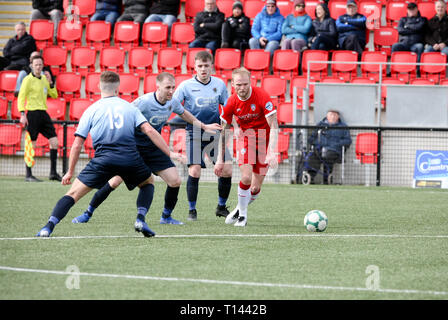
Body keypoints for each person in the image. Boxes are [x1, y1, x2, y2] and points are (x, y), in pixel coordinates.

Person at [36, 71, 183, 238]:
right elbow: (149, 130)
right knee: (148, 181)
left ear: (99, 86)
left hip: (103, 160)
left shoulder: (91, 110)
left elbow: (77, 144)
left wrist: (70, 171)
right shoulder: (129, 107)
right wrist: (170, 152)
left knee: (73, 194)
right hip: (130, 158)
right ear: (118, 87)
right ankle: (140, 219)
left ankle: (48, 227)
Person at [72, 72, 221, 226]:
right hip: (133, 148)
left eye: (173, 87)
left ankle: (166, 217)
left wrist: (203, 126)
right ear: (158, 87)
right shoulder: (143, 102)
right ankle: (87, 213)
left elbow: (185, 115)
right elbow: (124, 115)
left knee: (175, 181)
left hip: (153, 147)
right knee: (115, 181)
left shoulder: (173, 102)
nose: (171, 91)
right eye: (167, 87)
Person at [214, 67, 279, 227]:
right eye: (238, 85)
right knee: (246, 178)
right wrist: (220, 160)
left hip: (264, 142)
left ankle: (238, 208)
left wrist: (271, 152)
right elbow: (224, 132)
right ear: (233, 85)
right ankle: (243, 216)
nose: (242, 88)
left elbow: (274, 125)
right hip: (246, 140)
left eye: (245, 84)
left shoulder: (262, 96)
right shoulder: (231, 102)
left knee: (255, 188)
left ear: (251, 82)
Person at [173, 50, 233, 221]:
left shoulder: (219, 84)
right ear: (195, 67)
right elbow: (175, 105)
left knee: (227, 169)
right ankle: (192, 210)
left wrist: (226, 126)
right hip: (194, 132)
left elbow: (227, 108)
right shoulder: (185, 86)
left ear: (211, 66)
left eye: (206, 66)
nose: (203, 69)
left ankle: (221, 207)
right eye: (200, 66)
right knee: (195, 170)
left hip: (214, 132)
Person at [17, 55, 61, 183]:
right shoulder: (27, 80)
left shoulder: (44, 80)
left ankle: (53, 173)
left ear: (43, 66)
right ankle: (29, 174)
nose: (38, 67)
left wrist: (51, 83)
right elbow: (21, 97)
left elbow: (54, 94)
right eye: (36, 64)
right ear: (32, 65)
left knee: (54, 142)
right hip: (32, 114)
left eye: (40, 65)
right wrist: (22, 114)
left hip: (43, 113)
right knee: (32, 144)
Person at [307, 110, 352, 184]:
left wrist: (335, 144)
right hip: (320, 149)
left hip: (334, 150)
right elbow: (311, 138)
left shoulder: (343, 126)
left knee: (328, 156)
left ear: (338, 117)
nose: (333, 117)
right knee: (313, 156)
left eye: (335, 115)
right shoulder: (320, 125)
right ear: (327, 116)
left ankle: (326, 179)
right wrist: (318, 143)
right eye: (331, 114)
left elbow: (348, 141)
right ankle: (310, 177)